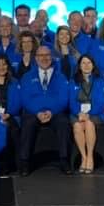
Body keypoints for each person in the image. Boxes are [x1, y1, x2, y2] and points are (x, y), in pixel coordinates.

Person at [19, 46, 71, 175]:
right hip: (34, 112)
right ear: (36, 58)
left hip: (55, 112)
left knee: (63, 123)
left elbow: (64, 98)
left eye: (47, 55)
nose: (44, 58)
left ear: (52, 58)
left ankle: (64, 160)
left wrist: (51, 112)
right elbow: (25, 98)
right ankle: (25, 161)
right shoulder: (27, 77)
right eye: (41, 55)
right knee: (28, 123)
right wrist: (37, 112)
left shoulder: (60, 77)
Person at [68, 54, 104, 174]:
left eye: (89, 63)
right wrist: (78, 113)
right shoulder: (73, 81)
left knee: (89, 124)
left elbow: (101, 101)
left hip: (96, 113)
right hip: (77, 113)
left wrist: (89, 114)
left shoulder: (100, 81)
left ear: (93, 65)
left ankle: (90, 157)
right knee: (77, 126)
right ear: (79, 66)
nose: (86, 65)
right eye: (83, 63)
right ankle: (83, 157)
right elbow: (71, 100)